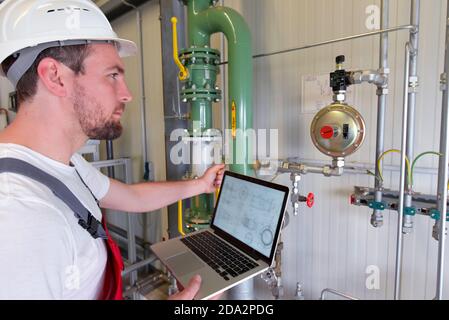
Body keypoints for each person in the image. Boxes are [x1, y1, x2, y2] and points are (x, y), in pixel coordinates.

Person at [0, 0, 225, 300]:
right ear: (55, 76)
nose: (127, 94)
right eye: (112, 75)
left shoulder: (63, 164)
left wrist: (200, 185)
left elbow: (131, 197)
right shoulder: (18, 214)